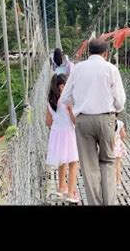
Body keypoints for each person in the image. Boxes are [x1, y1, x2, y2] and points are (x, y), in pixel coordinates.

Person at [60, 39, 126, 205]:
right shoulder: (111, 69)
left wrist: (80, 106)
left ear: (88, 52)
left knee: (89, 167)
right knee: (109, 162)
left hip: (83, 120)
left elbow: (65, 97)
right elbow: (120, 100)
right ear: (105, 53)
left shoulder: (78, 69)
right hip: (106, 119)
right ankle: (109, 203)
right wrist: (114, 110)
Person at [46, 73, 80, 204]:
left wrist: (57, 123)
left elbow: (48, 122)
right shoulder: (67, 101)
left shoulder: (49, 101)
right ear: (61, 86)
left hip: (56, 134)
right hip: (68, 134)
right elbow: (75, 121)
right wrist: (71, 111)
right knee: (73, 163)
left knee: (62, 161)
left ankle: (61, 188)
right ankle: (71, 193)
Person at [114, 119, 127, 189]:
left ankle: (109, 182)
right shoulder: (119, 123)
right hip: (117, 147)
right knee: (117, 165)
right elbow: (123, 135)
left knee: (108, 166)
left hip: (107, 146)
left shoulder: (104, 122)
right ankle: (118, 182)